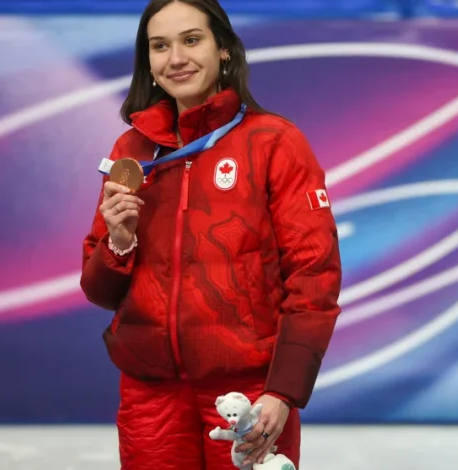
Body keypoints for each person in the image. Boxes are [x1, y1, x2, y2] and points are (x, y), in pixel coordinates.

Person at [79, 0, 342, 468]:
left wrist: (282, 392)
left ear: (224, 49)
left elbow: (314, 275)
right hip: (149, 396)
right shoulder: (131, 150)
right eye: (159, 46)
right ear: (149, 61)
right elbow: (99, 290)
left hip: (247, 395)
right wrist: (118, 242)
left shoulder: (274, 142)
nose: (175, 58)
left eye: (191, 40)